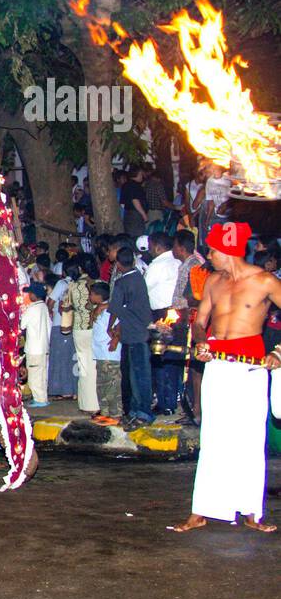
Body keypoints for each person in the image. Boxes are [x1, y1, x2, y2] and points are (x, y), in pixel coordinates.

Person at [173, 221, 278, 533]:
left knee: (248, 438)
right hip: (217, 363)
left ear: (228, 251)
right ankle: (201, 510)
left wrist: (279, 353)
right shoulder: (213, 281)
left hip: (251, 367)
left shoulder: (265, 281)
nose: (208, 255)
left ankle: (251, 512)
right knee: (214, 436)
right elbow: (199, 320)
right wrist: (202, 340)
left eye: (212, 250)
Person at [109, 246, 154, 429]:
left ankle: (141, 412)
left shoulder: (122, 283)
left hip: (132, 334)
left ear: (118, 264)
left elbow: (115, 308)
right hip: (141, 332)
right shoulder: (139, 278)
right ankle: (138, 411)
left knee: (135, 376)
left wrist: (110, 327)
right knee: (140, 374)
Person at [144, 232, 181, 415]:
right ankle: (170, 400)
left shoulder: (157, 265)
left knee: (160, 357)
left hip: (161, 314)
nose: (149, 250)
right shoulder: (176, 262)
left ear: (158, 247)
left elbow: (144, 288)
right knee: (172, 357)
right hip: (175, 313)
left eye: (150, 246)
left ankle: (164, 403)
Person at [66, 257, 99, 415]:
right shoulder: (99, 283)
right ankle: (98, 401)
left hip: (80, 328)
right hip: (97, 328)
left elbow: (66, 307)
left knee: (84, 366)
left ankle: (88, 403)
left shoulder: (73, 286)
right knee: (95, 364)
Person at [89, 282, 123, 426]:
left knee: (112, 385)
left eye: (91, 294)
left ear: (98, 295)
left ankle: (115, 413)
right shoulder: (99, 308)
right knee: (102, 384)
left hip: (110, 353)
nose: (89, 297)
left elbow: (119, 324)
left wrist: (115, 339)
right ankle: (105, 412)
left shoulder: (111, 309)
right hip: (101, 353)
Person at [46, 271, 76, 398]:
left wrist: (49, 313)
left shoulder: (61, 283)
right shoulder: (77, 284)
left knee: (60, 357)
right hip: (73, 324)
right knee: (71, 358)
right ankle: (73, 390)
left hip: (60, 324)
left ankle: (65, 390)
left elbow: (51, 302)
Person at [20, 282, 50, 408]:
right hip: (43, 346)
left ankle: (40, 399)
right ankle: (43, 397)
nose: (28, 295)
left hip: (34, 348)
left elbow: (21, 325)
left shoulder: (32, 308)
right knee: (42, 374)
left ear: (34, 295)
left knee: (34, 376)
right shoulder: (44, 307)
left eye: (30, 293)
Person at [120, 167, 149, 238]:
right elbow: (135, 201)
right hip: (135, 215)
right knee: (137, 236)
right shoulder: (135, 185)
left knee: (131, 236)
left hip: (129, 214)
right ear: (138, 174)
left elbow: (122, 203)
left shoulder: (126, 185)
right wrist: (144, 214)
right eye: (141, 174)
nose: (142, 176)